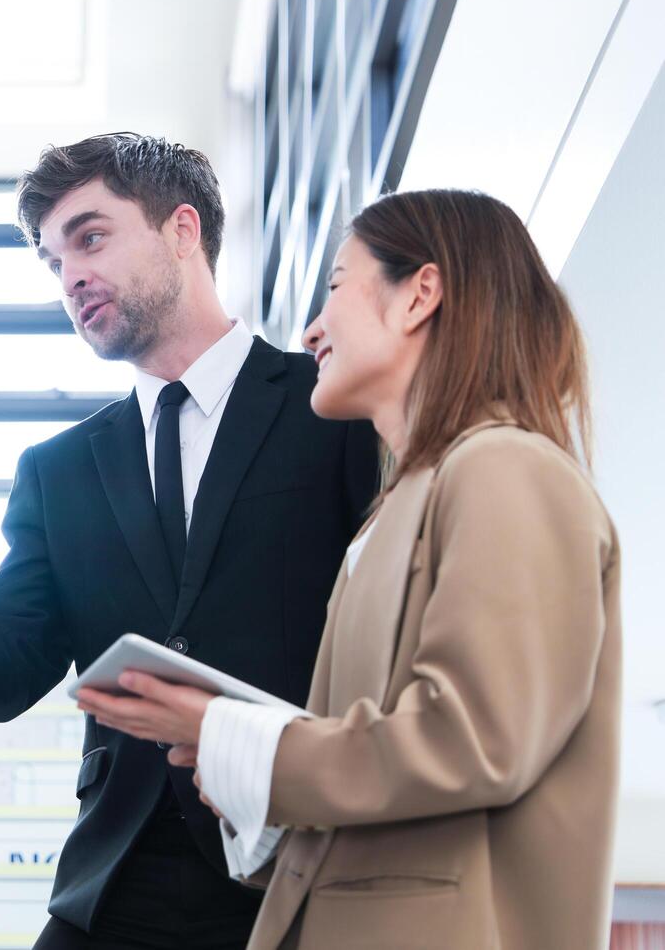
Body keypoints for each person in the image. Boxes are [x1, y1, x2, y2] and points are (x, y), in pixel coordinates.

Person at [0, 133, 378, 949]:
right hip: (117, 884)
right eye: (52, 261)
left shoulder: (332, 410)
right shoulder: (58, 472)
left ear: (182, 231)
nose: (69, 277)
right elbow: (5, 669)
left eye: (90, 238)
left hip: (293, 870)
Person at [76, 188, 621, 949]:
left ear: (419, 295)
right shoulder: (401, 507)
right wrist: (237, 771)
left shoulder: (505, 468)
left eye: (335, 287)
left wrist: (236, 736)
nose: (312, 328)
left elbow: (472, 743)